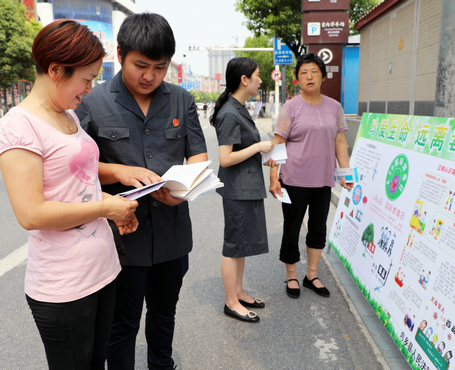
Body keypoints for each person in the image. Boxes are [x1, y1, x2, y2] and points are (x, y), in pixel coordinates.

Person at [0, 20, 139, 369]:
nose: (89, 89)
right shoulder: (20, 124)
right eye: (86, 79)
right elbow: (31, 213)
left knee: (97, 361)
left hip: (102, 268)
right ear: (56, 70)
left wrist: (118, 175)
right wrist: (105, 207)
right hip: (64, 286)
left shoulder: (68, 115)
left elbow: (77, 172)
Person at [74, 13, 207, 370]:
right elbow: (77, 166)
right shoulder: (93, 101)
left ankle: (161, 365)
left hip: (172, 234)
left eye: (160, 67)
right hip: (119, 238)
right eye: (141, 65)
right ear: (120, 53)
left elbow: (198, 156)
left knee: (164, 315)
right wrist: (121, 171)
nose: (149, 76)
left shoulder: (182, 100)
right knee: (122, 324)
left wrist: (184, 188)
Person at [269, 53, 353, 299]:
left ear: (323, 77)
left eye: (314, 71)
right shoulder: (289, 108)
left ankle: (312, 275)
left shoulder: (334, 107)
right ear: (297, 78)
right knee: (292, 229)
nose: (309, 76)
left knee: (318, 229)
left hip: (323, 180)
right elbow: (277, 144)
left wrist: (345, 173)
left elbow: (340, 141)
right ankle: (292, 275)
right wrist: (274, 177)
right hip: (294, 180)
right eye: (304, 72)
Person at [210, 57, 273, 323]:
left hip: (247, 187)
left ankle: (239, 292)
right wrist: (259, 148)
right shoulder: (229, 113)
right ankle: (231, 301)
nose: (261, 79)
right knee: (234, 245)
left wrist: (260, 155)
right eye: (257, 75)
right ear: (244, 80)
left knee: (242, 245)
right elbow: (225, 158)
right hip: (238, 190)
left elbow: (240, 151)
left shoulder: (239, 108)